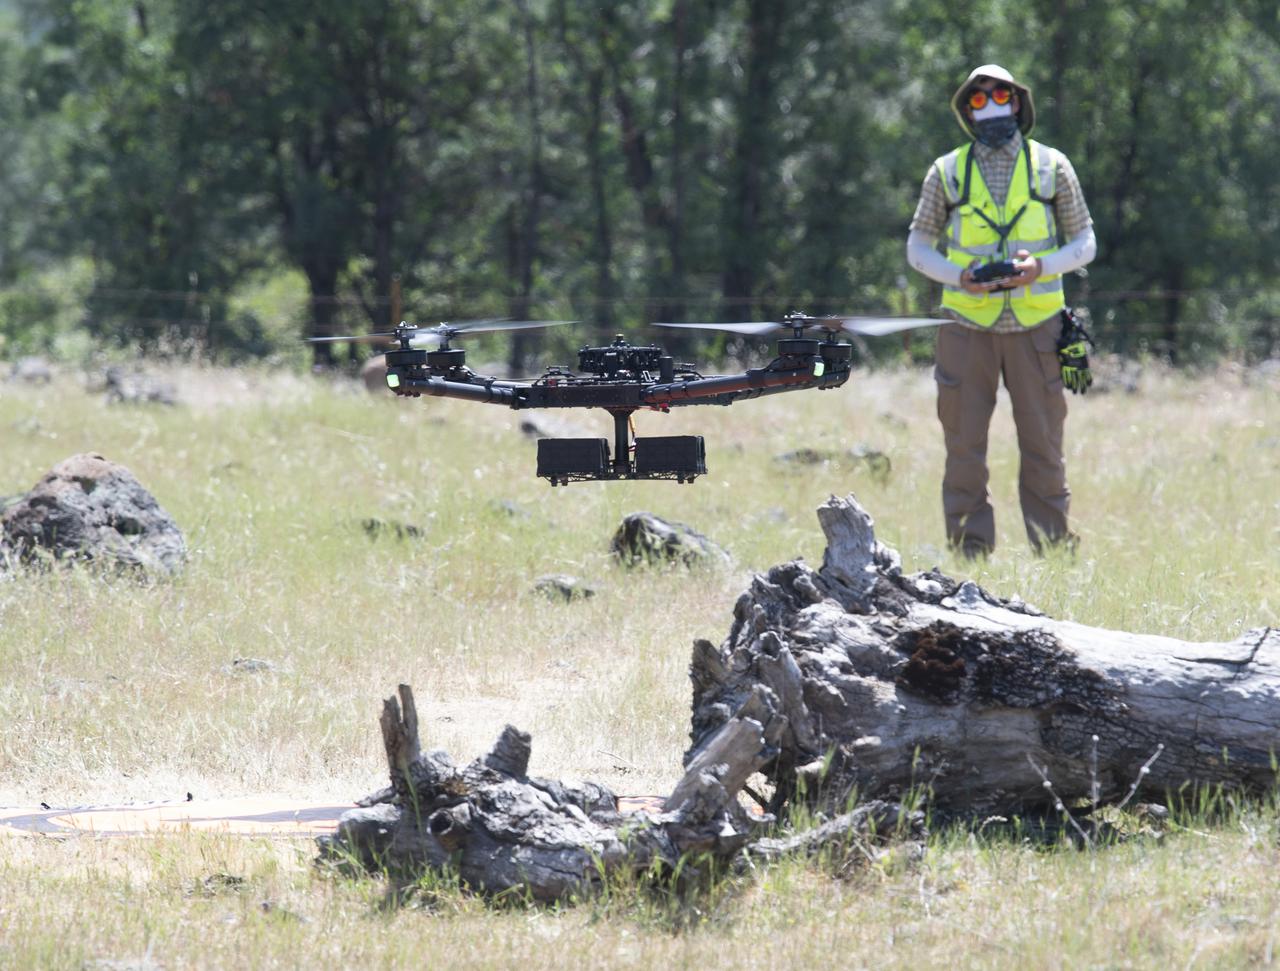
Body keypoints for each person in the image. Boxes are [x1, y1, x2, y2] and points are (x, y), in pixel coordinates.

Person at [906, 64, 1097, 557]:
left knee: (1044, 451)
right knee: (964, 451)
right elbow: (918, 249)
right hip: (966, 330)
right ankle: (971, 559)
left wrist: (1042, 267)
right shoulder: (945, 171)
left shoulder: (1053, 166)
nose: (991, 106)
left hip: (1039, 330)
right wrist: (960, 276)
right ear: (966, 109)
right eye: (978, 100)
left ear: (1018, 103)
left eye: (1001, 97)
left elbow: (1086, 242)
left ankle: (1054, 555)